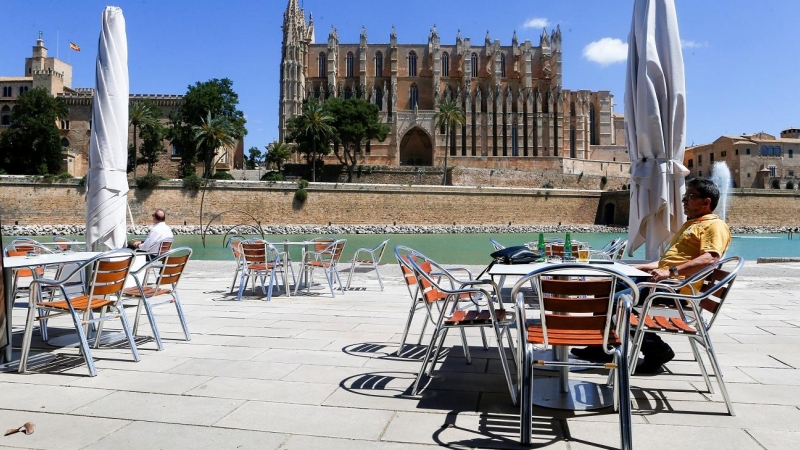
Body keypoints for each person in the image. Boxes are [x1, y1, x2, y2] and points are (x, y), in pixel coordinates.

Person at [572, 178, 731, 374]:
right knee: (605, 289)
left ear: (706, 202)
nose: (684, 201)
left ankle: (657, 351)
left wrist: (669, 272)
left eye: (690, 196)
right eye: (684, 196)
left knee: (616, 301)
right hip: (663, 281)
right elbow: (668, 262)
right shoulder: (691, 224)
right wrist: (643, 267)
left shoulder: (714, 226)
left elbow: (710, 259)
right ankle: (602, 347)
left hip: (674, 288)